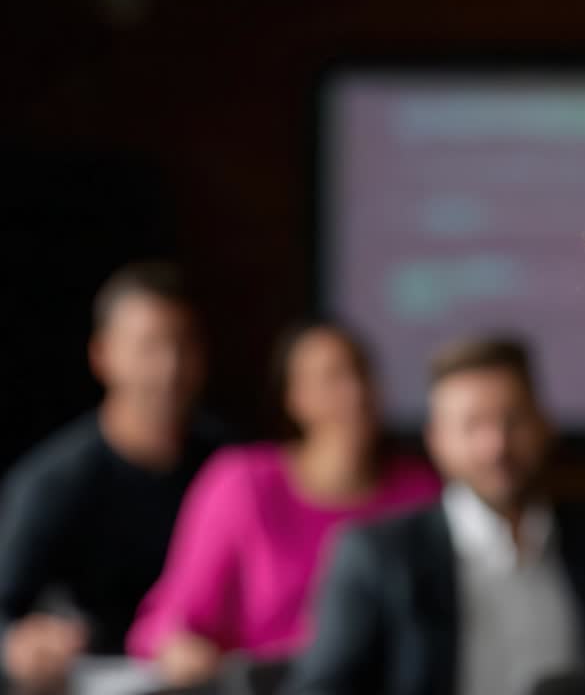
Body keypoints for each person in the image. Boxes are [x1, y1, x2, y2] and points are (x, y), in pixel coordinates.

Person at [285, 338, 585, 695]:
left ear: (544, 423)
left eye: (512, 420)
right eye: (473, 425)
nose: (496, 445)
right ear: (436, 440)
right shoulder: (376, 558)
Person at [126, 321, 441, 686]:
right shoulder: (243, 484)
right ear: (294, 398)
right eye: (332, 378)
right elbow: (172, 617)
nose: (354, 391)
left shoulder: (420, 491)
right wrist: (176, 647)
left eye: (361, 371)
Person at [0, 262, 224, 693]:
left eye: (184, 345)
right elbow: (7, 608)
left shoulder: (230, 468)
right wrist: (20, 644)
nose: (169, 368)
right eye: (149, 347)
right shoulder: (53, 482)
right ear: (103, 356)